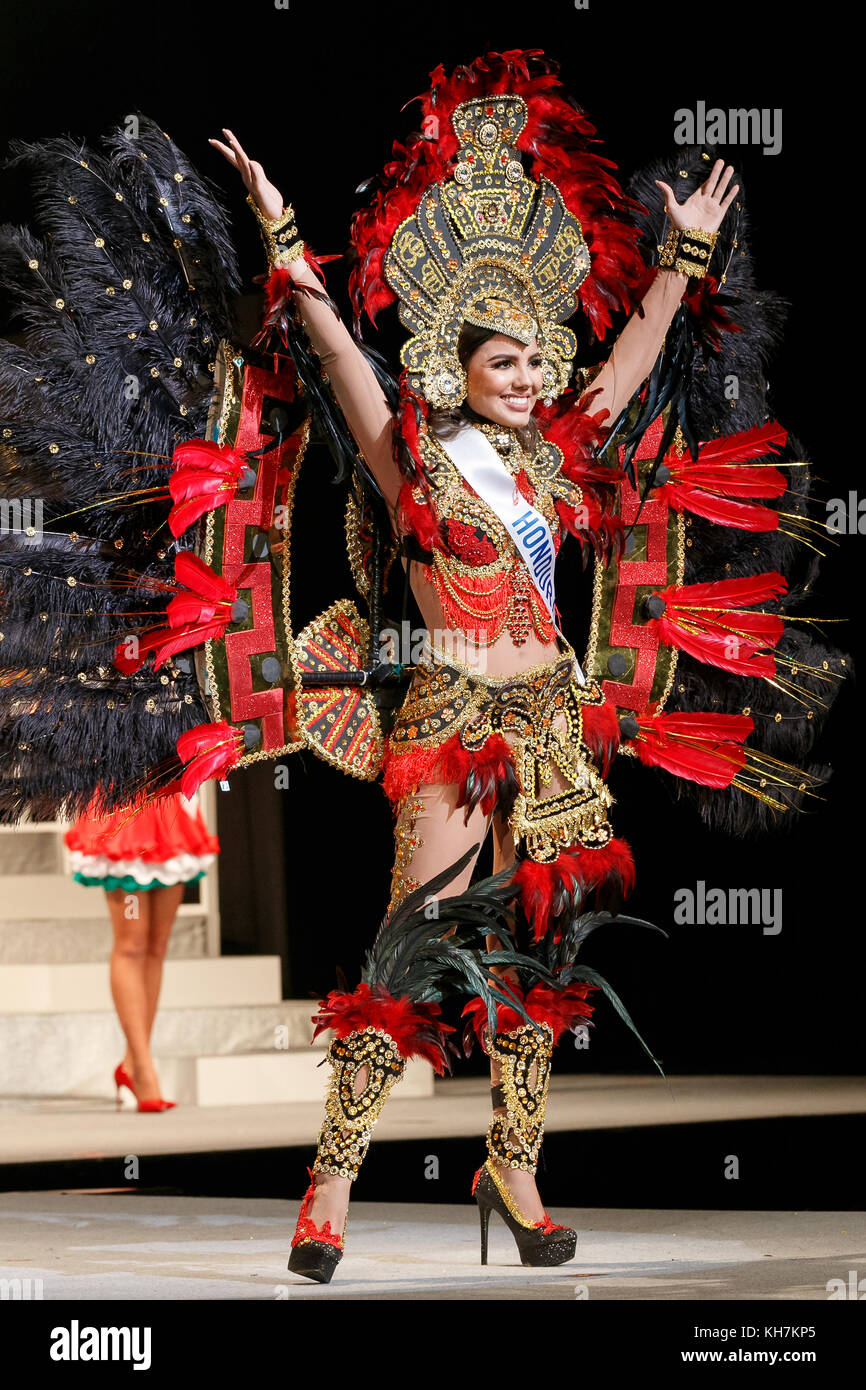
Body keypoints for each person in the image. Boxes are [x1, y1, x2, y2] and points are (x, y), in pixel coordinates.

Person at [210, 57, 740, 1282]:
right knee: (406, 946)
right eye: (506, 366)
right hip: (448, 716)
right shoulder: (415, 462)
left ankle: (515, 1164)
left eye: (537, 364)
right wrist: (278, 228)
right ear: (458, 364)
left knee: (542, 956)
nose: (531, 381)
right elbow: (338, 348)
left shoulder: (558, 459)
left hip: (550, 724)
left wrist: (683, 252)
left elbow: (638, 351)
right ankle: (328, 1186)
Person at [65, 791, 219, 1111]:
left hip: (170, 800)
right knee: (132, 944)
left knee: (156, 946)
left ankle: (132, 1064)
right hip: (121, 802)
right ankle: (145, 1070)